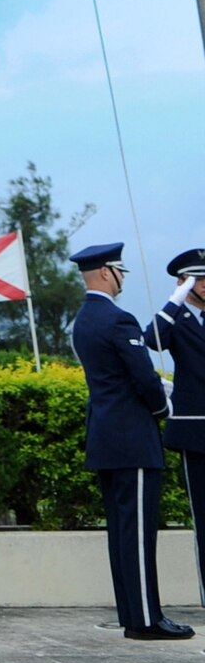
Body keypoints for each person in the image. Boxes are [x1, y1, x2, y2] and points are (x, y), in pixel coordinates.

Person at [70, 239, 194, 641]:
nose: (122, 278)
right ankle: (145, 619)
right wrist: (162, 407)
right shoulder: (118, 320)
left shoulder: (83, 321)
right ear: (106, 272)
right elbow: (142, 378)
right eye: (120, 271)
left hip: (106, 438)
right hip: (132, 439)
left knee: (122, 533)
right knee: (138, 532)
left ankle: (133, 613)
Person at [143, 244, 205, 609]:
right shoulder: (176, 320)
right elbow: (151, 339)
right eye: (199, 279)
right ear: (185, 283)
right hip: (197, 433)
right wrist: (176, 299)